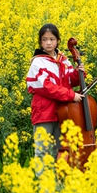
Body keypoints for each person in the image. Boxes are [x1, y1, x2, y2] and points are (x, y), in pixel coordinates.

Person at [26, 23, 83, 175]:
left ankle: (58, 186)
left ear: (58, 41)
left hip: (62, 112)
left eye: (52, 39)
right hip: (44, 113)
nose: (48, 43)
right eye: (45, 40)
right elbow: (46, 87)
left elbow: (70, 80)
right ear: (40, 42)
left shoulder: (63, 59)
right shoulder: (37, 62)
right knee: (43, 152)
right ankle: (44, 189)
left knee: (60, 150)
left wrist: (78, 73)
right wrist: (71, 95)